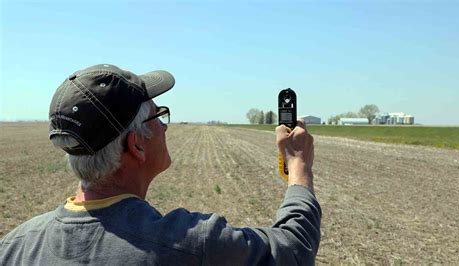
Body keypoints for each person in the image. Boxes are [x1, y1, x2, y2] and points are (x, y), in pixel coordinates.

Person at [0, 64, 321, 265]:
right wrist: (299, 170)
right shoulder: (193, 246)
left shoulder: (15, 247)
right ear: (136, 144)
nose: (165, 126)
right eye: (159, 115)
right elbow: (293, 251)